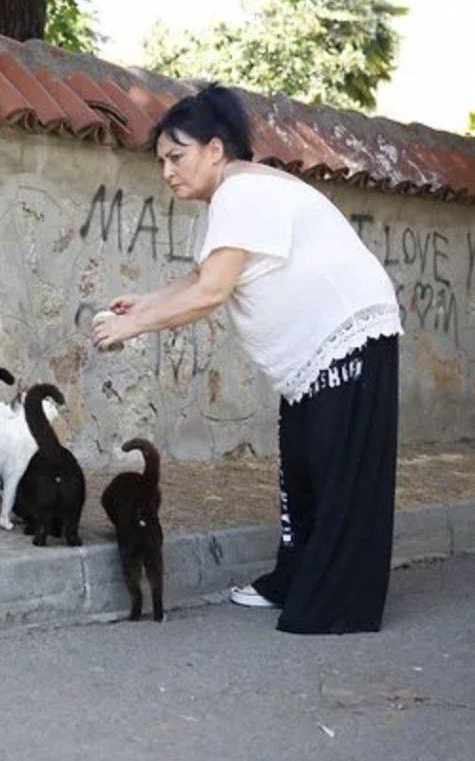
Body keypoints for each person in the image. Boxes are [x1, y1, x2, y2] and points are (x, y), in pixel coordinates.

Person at [91, 84, 403, 634]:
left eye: (176, 156)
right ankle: (294, 579)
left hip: (349, 335)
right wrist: (146, 301)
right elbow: (199, 277)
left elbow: (211, 293)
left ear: (216, 149)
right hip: (315, 355)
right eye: (162, 160)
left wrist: (133, 325)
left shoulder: (241, 193)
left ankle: (336, 602)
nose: (166, 171)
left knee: (335, 474)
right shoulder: (228, 200)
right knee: (302, 469)